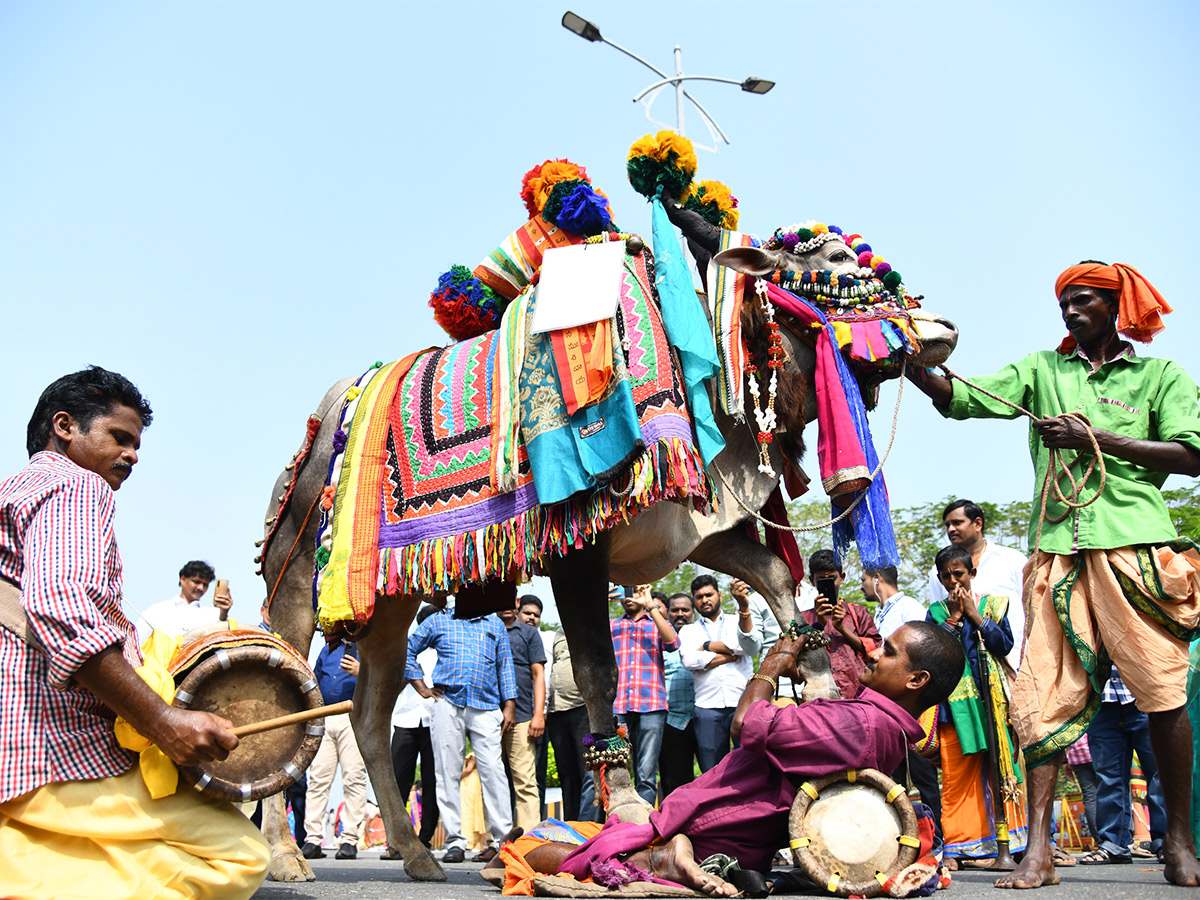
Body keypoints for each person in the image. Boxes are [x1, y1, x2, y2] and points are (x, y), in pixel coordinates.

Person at [909, 260, 1200, 888]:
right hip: (1057, 553)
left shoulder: (1159, 375)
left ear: (1118, 306)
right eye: (1065, 302)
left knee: (1163, 693)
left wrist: (1102, 438)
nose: (1071, 312)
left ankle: (1179, 842)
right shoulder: (1044, 370)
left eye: (1085, 301)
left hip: (1135, 549)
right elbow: (965, 396)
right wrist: (904, 359)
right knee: (1038, 699)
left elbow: (1192, 453)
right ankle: (1037, 851)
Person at [0, 366, 268, 900]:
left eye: (137, 444)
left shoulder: (17, 488)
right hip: (52, 746)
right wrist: (162, 718)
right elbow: (64, 607)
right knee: (238, 856)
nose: (133, 455)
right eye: (119, 438)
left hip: (19, 748)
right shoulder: (75, 484)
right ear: (65, 427)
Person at [503, 622, 965, 894]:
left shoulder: (861, 725)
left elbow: (744, 724)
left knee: (534, 853)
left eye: (888, 652)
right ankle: (661, 854)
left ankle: (667, 859)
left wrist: (772, 663)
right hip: (737, 833)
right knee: (589, 830)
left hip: (712, 825)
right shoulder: (880, 728)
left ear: (916, 680)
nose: (873, 650)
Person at [926, 544, 1027, 866]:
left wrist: (976, 616)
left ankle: (1012, 842)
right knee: (958, 776)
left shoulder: (994, 605)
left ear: (972, 573)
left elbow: (1004, 644)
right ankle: (959, 848)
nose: (953, 581)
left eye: (959, 573)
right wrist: (955, 619)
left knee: (1002, 770)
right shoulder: (936, 612)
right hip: (953, 709)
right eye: (946, 576)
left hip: (993, 702)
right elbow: (934, 654)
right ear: (940, 578)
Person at [405, 600, 517, 863]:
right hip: (448, 702)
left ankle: (504, 840)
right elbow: (407, 649)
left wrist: (509, 705)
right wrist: (421, 687)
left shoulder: (495, 623)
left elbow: (505, 665)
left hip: (487, 705)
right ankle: (455, 841)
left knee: (494, 772)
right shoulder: (440, 619)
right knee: (447, 773)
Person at [863, 565, 941, 834]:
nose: (862, 586)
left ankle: (938, 836)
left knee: (922, 775)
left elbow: (925, 651)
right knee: (892, 776)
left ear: (877, 579)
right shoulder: (879, 613)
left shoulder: (909, 608)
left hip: (910, 705)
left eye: (864, 579)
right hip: (889, 706)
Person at [923, 500, 1028, 670]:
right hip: (964, 671)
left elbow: (1032, 609)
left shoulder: (1012, 559)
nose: (950, 529)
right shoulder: (938, 571)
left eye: (957, 523)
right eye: (947, 525)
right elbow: (939, 615)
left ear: (978, 523)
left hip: (1015, 660)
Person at [1079, 669, 1167, 864]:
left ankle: (1167, 841)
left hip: (1146, 691)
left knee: (1160, 772)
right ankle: (1113, 844)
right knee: (1108, 776)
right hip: (1102, 697)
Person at [679, 575, 761, 772]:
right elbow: (690, 660)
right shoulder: (688, 631)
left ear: (720, 596)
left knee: (750, 764)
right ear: (694, 600)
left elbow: (747, 647)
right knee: (712, 769)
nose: (705, 600)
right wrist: (730, 654)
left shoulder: (738, 621)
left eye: (709, 594)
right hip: (707, 707)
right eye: (699, 597)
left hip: (743, 703)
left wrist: (707, 647)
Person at [611, 583, 679, 803]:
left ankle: (644, 828)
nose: (629, 596)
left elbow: (673, 642)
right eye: (624, 590)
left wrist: (650, 606)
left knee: (647, 775)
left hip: (652, 705)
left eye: (635, 590)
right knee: (615, 772)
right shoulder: (612, 626)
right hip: (619, 705)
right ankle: (617, 824)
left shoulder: (655, 624)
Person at [301, 641, 366, 860]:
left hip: (354, 717)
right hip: (324, 717)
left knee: (353, 778)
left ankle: (349, 839)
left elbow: (381, 682)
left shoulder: (368, 647)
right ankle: (312, 839)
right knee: (318, 778)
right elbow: (315, 681)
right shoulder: (328, 648)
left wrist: (362, 672)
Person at [387, 603, 440, 856]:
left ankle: (426, 839)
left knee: (432, 782)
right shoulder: (405, 649)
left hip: (435, 722)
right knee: (399, 780)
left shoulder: (445, 650)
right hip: (405, 720)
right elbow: (392, 684)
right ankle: (396, 838)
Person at [801, 550, 881, 700]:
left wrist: (842, 628)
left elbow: (874, 650)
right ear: (812, 581)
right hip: (819, 697)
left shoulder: (859, 613)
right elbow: (797, 654)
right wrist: (819, 623)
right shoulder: (804, 617)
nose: (829, 584)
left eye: (833, 579)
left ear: (842, 577)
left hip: (857, 694)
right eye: (821, 580)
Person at [499, 595, 547, 836]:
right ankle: (496, 840)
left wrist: (539, 715)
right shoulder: (485, 626)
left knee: (526, 781)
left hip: (523, 715)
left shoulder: (528, 634)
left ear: (515, 601)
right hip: (487, 714)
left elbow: (538, 675)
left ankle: (530, 839)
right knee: (493, 781)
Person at [545, 625, 595, 822]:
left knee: (588, 773)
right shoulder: (557, 632)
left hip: (582, 708)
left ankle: (587, 826)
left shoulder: (594, 625)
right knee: (566, 774)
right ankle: (571, 825)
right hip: (557, 711)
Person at [518, 595, 554, 819]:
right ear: (517, 611)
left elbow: (544, 678)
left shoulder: (547, 639)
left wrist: (540, 714)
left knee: (536, 776)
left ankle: (535, 828)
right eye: (527, 613)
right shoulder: (503, 636)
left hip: (538, 716)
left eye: (536, 615)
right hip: (509, 715)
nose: (532, 618)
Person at [137, 560, 232, 644]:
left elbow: (221, 641)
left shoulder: (213, 615)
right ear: (182, 579)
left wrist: (223, 614)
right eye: (196, 582)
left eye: (205, 585)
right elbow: (137, 643)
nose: (201, 588)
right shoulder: (157, 611)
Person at [660, 592, 698, 799]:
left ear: (693, 612)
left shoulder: (703, 634)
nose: (680, 614)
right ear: (668, 612)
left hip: (703, 717)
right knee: (677, 783)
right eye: (675, 610)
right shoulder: (660, 639)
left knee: (712, 775)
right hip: (673, 722)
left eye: (685, 610)